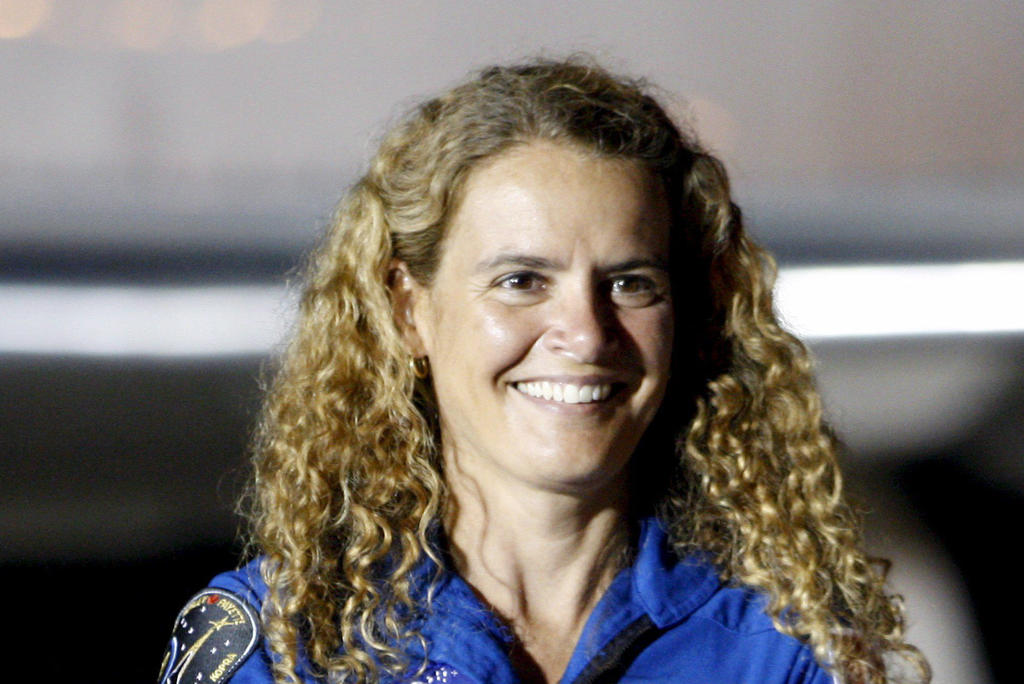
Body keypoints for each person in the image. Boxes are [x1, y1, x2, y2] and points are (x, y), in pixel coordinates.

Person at [158, 58, 930, 684]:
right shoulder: (286, 646)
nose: (586, 333)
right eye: (522, 281)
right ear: (409, 310)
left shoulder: (782, 650)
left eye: (630, 284)